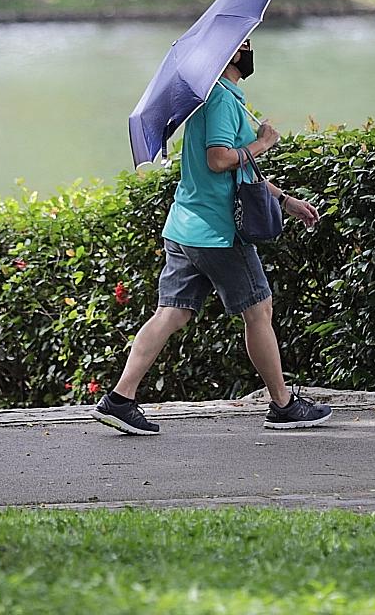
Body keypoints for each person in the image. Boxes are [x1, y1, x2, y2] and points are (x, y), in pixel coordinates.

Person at [92, 37, 332, 435]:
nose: (251, 49)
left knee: (171, 313)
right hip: (218, 233)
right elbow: (219, 160)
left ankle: (119, 399)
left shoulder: (216, 98)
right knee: (259, 311)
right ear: (232, 53)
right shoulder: (219, 99)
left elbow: (241, 171)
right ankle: (284, 405)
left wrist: (285, 200)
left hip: (186, 226)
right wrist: (263, 143)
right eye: (247, 43)